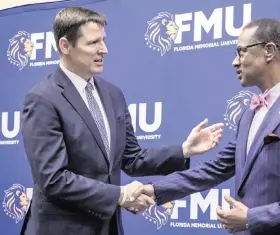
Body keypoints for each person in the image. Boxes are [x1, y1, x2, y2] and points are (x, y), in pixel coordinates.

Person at [20, 6, 224, 235]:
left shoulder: (112, 94)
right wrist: (120, 195)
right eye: (93, 43)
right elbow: (54, 179)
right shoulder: (42, 99)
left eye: (103, 41)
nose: (104, 49)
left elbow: (131, 159)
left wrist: (184, 150)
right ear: (65, 46)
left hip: (108, 228)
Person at [131, 18, 280, 235]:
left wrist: (253, 218)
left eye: (241, 51)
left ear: (269, 51)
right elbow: (216, 168)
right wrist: (156, 190)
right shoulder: (249, 113)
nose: (235, 62)